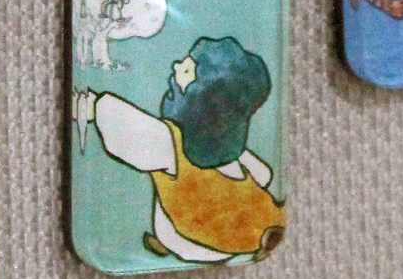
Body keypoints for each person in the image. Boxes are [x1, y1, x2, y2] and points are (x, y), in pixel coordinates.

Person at [75, 36, 285, 262]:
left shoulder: (169, 142)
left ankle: (171, 244)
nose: (175, 66)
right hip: (255, 232)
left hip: (197, 238)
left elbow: (129, 129)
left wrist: (95, 106)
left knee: (176, 211)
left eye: (186, 71)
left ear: (203, 96)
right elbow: (263, 174)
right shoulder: (229, 148)